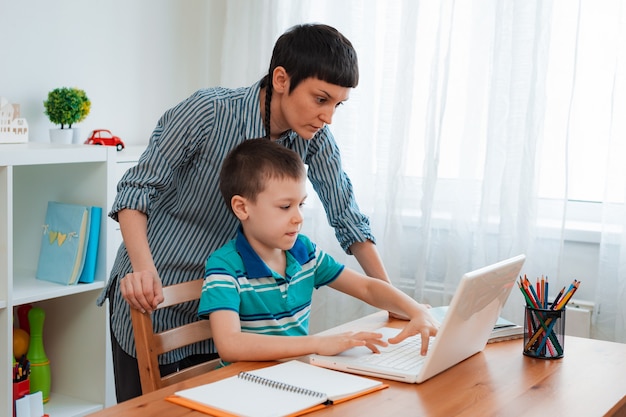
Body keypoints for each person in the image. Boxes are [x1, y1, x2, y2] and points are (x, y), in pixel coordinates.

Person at [97, 23, 395, 402]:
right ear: (282, 79)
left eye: (338, 104)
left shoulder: (315, 139)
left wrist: (392, 300)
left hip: (234, 311)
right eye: (321, 99)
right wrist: (142, 269)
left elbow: (348, 219)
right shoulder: (207, 112)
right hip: (159, 293)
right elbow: (135, 192)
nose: (328, 117)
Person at [200, 139, 438, 365]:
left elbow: (367, 287)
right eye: (285, 207)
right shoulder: (224, 267)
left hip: (296, 373)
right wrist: (318, 343)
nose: (298, 217)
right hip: (242, 383)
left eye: (300, 204)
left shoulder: (304, 252)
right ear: (242, 207)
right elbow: (230, 344)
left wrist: (415, 310)